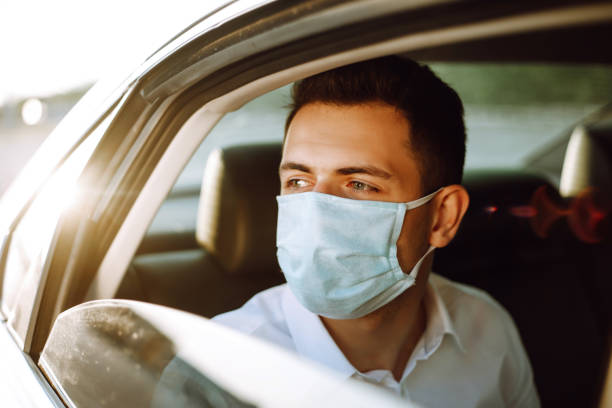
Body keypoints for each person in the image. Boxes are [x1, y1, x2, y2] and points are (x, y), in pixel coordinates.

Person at [214, 56, 540, 407]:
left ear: (442, 217)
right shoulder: (218, 366)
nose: (316, 213)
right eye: (298, 181)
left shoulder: (486, 329)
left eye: (358, 184)